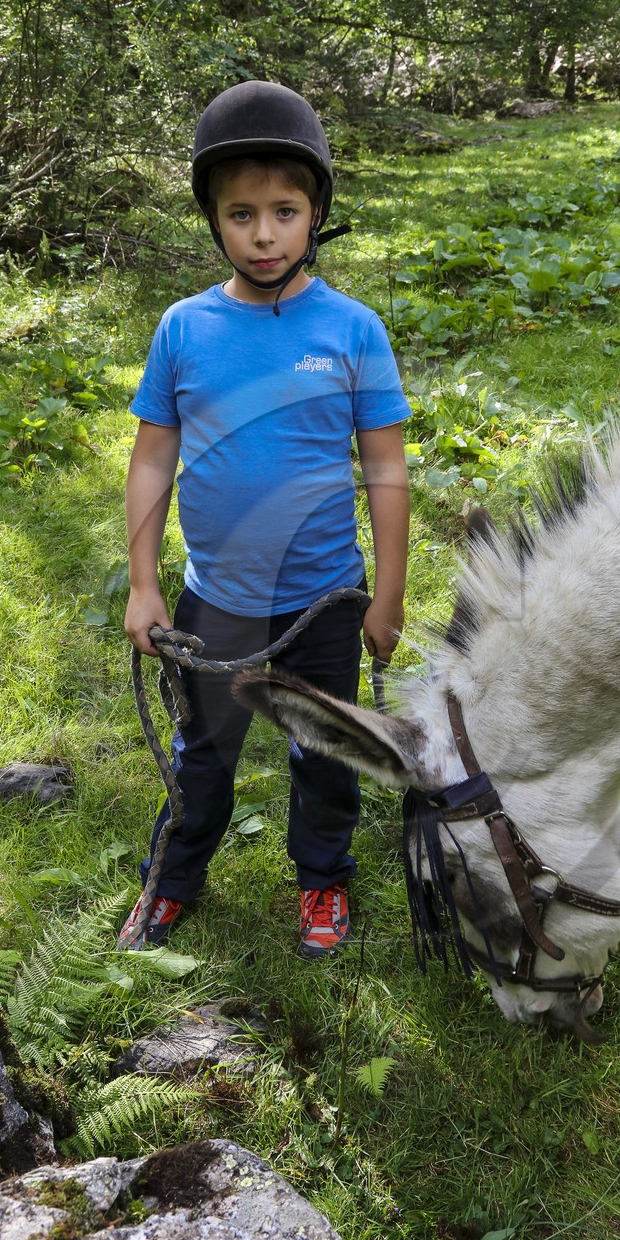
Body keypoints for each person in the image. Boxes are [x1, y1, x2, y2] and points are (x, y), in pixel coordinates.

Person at [118, 80, 410, 959]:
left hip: (325, 599)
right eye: (241, 214)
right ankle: (173, 880)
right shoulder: (185, 329)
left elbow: (386, 470)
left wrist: (387, 598)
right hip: (218, 599)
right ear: (214, 221)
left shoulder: (353, 330)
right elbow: (151, 459)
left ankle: (322, 879)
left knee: (326, 752)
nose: (264, 234)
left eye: (284, 212)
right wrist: (143, 586)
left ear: (315, 214)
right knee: (203, 753)